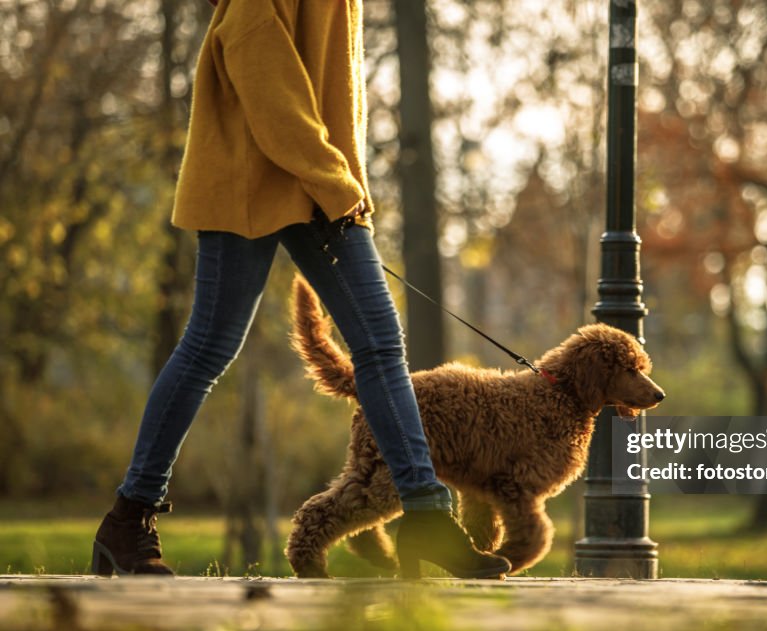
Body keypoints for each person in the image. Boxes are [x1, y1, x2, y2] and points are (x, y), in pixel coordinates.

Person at [91, 0, 510, 579]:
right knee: (210, 346)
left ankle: (426, 516)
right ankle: (128, 517)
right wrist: (333, 177)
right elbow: (262, 68)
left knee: (379, 344)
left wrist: (333, 175)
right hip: (253, 173)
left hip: (313, 180)